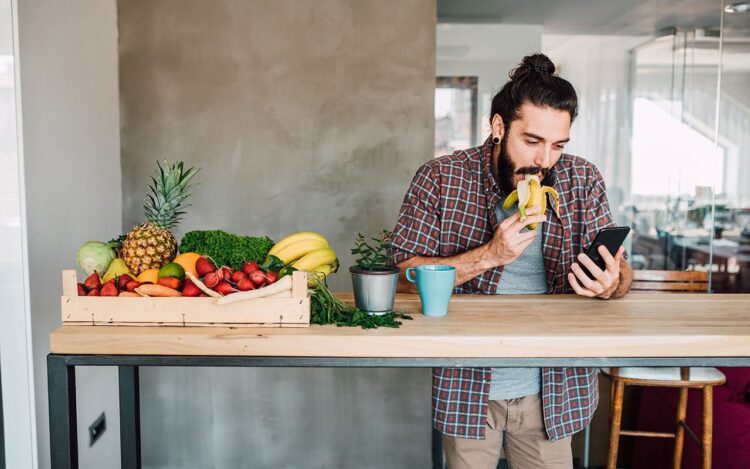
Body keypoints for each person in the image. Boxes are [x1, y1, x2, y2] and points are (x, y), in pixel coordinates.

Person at [391, 53, 633, 469]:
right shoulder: (441, 178)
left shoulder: (583, 179)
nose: (544, 161)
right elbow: (402, 278)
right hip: (469, 384)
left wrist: (611, 282)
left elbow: (622, 271)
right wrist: (489, 256)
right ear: (499, 126)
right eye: (533, 141)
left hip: (555, 388)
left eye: (558, 145)